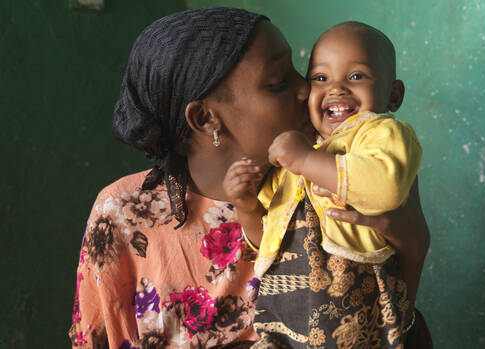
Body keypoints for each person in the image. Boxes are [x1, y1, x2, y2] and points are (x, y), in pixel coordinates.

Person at [69, 7, 432, 349]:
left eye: (300, 71)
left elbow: (393, 323)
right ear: (206, 119)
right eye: (277, 82)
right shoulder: (124, 212)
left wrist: (414, 246)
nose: (307, 89)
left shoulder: (342, 173)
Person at [223, 22, 422, 348]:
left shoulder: (379, 136)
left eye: (356, 76)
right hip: (282, 318)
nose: (337, 88)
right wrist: (246, 205)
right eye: (320, 78)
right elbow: (269, 241)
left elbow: (386, 189)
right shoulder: (299, 151)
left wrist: (303, 160)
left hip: (352, 311)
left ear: (394, 94)